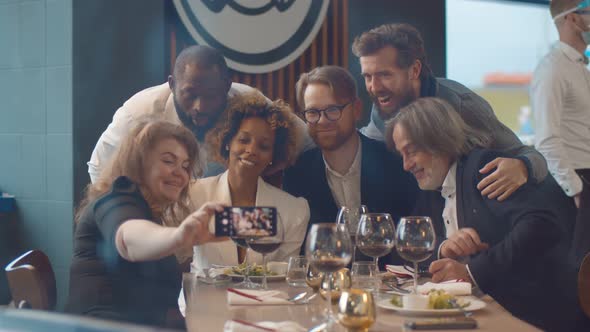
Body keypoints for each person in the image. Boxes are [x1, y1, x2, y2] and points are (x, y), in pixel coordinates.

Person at [388, 98, 585, 332]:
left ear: (438, 141)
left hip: (533, 315)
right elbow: (407, 245)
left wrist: (472, 272)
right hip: (474, 313)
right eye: (402, 154)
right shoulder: (433, 188)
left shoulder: (482, 169)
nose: (405, 165)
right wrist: (444, 247)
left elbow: (541, 225)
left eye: (410, 152)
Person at [352, 23, 548, 201]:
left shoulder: (462, 105)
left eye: (384, 75)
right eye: (367, 77)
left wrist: (523, 167)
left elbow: (529, 155)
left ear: (414, 70)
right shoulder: (384, 106)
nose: (374, 87)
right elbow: (365, 141)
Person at [67, 121, 225, 328]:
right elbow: (128, 237)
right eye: (169, 161)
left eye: (185, 166)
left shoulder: (146, 211)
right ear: (138, 162)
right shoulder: (115, 200)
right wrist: (178, 236)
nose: (180, 173)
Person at [88, 45, 311, 183]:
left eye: (211, 95)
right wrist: (127, 217)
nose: (200, 106)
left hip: (226, 215)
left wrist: (273, 168)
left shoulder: (247, 103)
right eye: (190, 94)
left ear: (226, 86)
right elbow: (99, 168)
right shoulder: (138, 113)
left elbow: (306, 139)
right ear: (172, 84)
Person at [283, 66, 418, 265]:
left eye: (332, 110)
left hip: (393, 286)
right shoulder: (297, 173)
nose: (322, 121)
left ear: (356, 109)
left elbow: (414, 233)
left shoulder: (396, 162)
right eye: (312, 112)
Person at [189, 90, 309, 272]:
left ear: (272, 155)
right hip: (202, 297)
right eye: (244, 140)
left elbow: (285, 277)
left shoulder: (293, 210)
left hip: (267, 300)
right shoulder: (193, 194)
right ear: (228, 141)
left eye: (264, 146)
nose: (251, 150)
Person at [531, 0, 590, 264]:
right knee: (579, 271)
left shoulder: (579, 66)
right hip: (575, 181)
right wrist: (576, 190)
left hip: (584, 177)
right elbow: (546, 138)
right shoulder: (553, 68)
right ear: (572, 19)